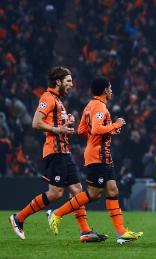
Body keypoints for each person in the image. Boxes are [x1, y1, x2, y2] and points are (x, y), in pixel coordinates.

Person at [8, 67, 107, 242]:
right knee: (55, 194)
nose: (72, 84)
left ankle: (85, 232)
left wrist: (66, 124)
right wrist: (57, 129)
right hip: (54, 152)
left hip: (64, 152)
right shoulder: (47, 98)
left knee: (77, 190)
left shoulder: (58, 101)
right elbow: (36, 122)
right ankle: (19, 218)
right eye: (68, 81)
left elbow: (57, 127)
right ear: (58, 82)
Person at [48, 76, 143, 244]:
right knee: (93, 194)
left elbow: (82, 130)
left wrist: (108, 132)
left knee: (113, 190)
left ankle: (121, 233)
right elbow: (98, 128)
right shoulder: (99, 106)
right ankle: (57, 213)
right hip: (97, 156)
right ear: (105, 90)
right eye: (110, 88)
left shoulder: (90, 105)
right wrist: (115, 125)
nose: (112, 90)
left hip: (103, 155)